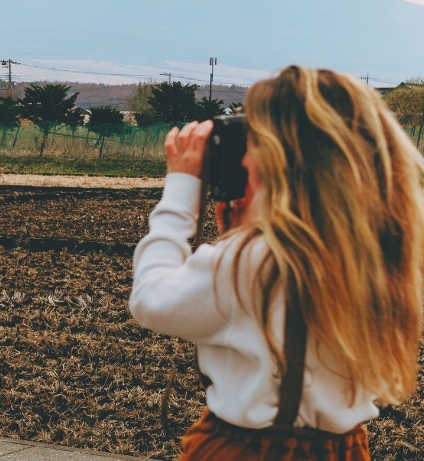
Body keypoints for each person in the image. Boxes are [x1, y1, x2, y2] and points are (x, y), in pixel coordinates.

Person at [129, 65, 424, 460]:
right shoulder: (381, 252)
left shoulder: (253, 261)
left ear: (281, 158)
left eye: (253, 144)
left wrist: (180, 190)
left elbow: (151, 299)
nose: (245, 161)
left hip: (249, 450)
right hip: (346, 449)